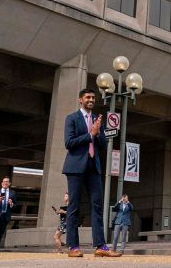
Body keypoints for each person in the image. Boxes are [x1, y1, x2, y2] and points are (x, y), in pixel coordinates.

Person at [61, 88, 120, 258]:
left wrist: (99, 131)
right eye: (88, 97)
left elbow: (101, 144)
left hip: (94, 167)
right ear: (81, 100)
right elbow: (69, 142)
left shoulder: (96, 119)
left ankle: (100, 246)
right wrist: (90, 134)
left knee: (97, 206)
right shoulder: (72, 118)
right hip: (75, 168)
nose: (91, 100)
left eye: (93, 97)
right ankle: (73, 247)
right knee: (74, 207)